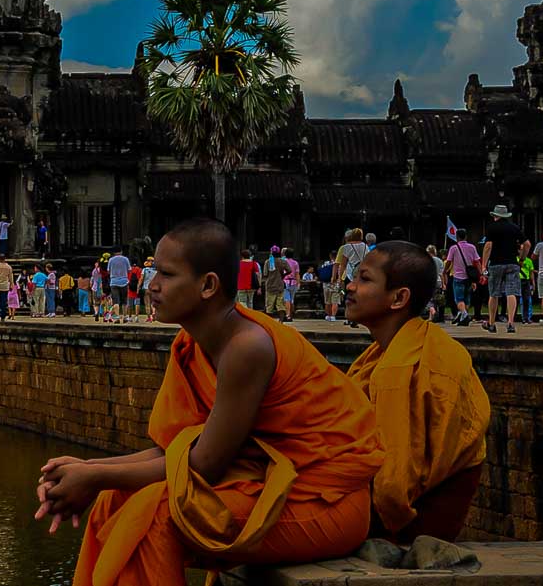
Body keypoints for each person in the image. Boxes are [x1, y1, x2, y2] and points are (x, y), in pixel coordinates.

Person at [33, 218, 386, 585]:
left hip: (325, 502)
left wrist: (95, 475)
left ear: (208, 285)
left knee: (156, 515)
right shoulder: (190, 346)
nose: (151, 286)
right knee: (116, 499)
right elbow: (174, 450)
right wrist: (89, 470)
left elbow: (203, 465)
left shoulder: (247, 348)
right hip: (269, 486)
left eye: (167, 275)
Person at [341, 239, 491, 542]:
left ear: (398, 298)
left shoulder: (403, 367)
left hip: (412, 519)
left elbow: (393, 487)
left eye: (364, 279)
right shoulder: (379, 355)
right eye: (355, 277)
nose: (350, 287)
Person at [480, 207, 525, 333]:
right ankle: (510, 323)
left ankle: (492, 323)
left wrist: (483, 265)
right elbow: (526, 244)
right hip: (512, 263)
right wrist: (521, 259)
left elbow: (488, 246)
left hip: (495, 264)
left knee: (494, 294)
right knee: (511, 293)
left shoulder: (492, 228)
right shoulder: (515, 228)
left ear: (496, 216)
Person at [441, 232, 478, 325]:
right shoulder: (472, 247)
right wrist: (481, 273)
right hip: (469, 277)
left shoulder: (453, 248)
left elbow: (449, 261)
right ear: (466, 236)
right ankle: (461, 316)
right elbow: (477, 261)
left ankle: (464, 315)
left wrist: (445, 270)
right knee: (467, 298)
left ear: (457, 237)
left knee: (459, 299)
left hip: (458, 276)